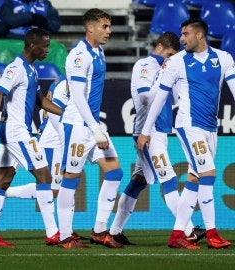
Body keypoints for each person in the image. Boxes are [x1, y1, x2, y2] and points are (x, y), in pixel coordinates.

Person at [137, 18, 235, 249]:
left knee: (194, 178)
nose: (181, 39)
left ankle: (178, 235)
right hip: (187, 125)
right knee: (208, 172)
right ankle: (212, 233)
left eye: (185, 34)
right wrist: (146, 130)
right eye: (181, 34)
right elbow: (160, 97)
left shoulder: (224, 58)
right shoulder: (176, 62)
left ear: (199, 35)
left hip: (211, 127)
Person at [110, 32, 206, 246]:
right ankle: (187, 230)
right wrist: (163, 78)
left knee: (139, 181)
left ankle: (115, 231)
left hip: (160, 130)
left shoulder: (164, 68)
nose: (170, 59)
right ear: (161, 47)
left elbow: (170, 98)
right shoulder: (146, 65)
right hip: (148, 132)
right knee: (169, 180)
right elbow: (145, 96)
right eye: (170, 54)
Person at [0, 28, 62, 247]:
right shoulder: (16, 68)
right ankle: (53, 233)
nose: (47, 50)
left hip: (13, 131)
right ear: (32, 45)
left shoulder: (31, 70)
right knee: (45, 176)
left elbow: (40, 100)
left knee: (2, 180)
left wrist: (66, 114)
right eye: (44, 45)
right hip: (16, 131)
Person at [56, 8, 123, 249]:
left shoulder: (99, 51)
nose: (109, 31)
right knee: (71, 178)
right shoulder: (79, 55)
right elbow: (77, 96)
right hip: (77, 125)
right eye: (105, 26)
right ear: (90, 28)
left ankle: (98, 230)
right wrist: (95, 128)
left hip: (92, 124)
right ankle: (64, 236)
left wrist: (95, 127)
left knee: (115, 172)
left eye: (110, 26)